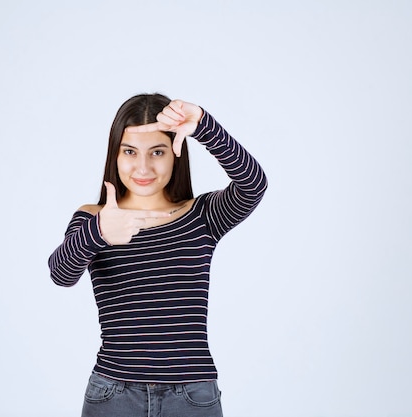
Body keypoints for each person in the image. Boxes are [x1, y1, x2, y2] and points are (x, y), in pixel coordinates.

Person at [48, 93, 267, 417]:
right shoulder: (96, 217)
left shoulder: (202, 215)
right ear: (115, 155)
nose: (143, 166)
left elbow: (253, 184)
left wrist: (204, 126)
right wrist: (100, 232)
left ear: (175, 153)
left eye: (158, 151)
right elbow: (60, 274)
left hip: (192, 396)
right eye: (130, 151)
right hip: (113, 394)